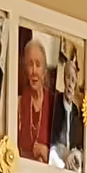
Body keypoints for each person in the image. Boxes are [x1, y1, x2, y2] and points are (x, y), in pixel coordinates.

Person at [17, 33, 54, 163]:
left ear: (44, 72)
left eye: (38, 65)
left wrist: (48, 154)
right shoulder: (19, 103)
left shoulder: (54, 105)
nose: (34, 71)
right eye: (30, 64)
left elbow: (61, 158)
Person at [52, 41, 85, 168]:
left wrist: (74, 153)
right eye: (68, 78)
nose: (70, 84)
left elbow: (77, 144)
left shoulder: (76, 112)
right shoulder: (56, 102)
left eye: (73, 80)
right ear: (63, 79)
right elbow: (52, 140)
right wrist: (63, 153)